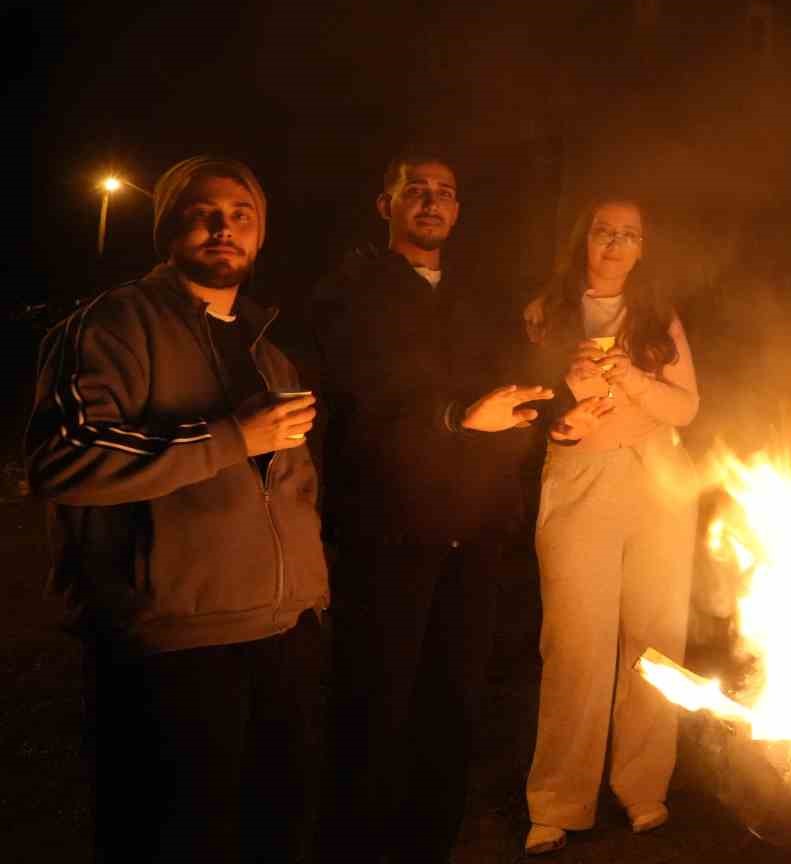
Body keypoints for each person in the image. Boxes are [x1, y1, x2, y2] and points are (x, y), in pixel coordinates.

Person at [25, 155, 329, 863]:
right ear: (167, 228)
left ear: (260, 236)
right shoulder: (113, 325)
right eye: (203, 213)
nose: (224, 227)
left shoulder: (265, 348)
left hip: (283, 632)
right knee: (175, 838)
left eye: (242, 215)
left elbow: (290, 483)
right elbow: (64, 458)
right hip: (173, 644)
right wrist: (231, 437)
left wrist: (313, 594)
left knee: (275, 835)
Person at [310, 151, 554, 863]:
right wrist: (453, 420)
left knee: (453, 704)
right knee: (375, 699)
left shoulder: (479, 297)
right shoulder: (350, 293)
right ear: (385, 206)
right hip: (389, 530)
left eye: (444, 192)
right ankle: (356, 846)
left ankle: (429, 844)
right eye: (414, 190)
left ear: (458, 210)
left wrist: (555, 412)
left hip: (473, 533)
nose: (431, 201)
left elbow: (511, 390)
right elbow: (359, 402)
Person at [522, 197, 700, 855]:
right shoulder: (546, 313)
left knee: (655, 640)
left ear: (642, 248)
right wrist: (567, 399)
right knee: (575, 643)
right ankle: (558, 802)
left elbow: (687, 407)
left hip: (658, 482)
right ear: (585, 239)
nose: (616, 243)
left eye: (630, 234)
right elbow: (526, 408)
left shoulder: (658, 317)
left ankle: (642, 786)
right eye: (604, 232)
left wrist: (633, 379)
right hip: (581, 482)